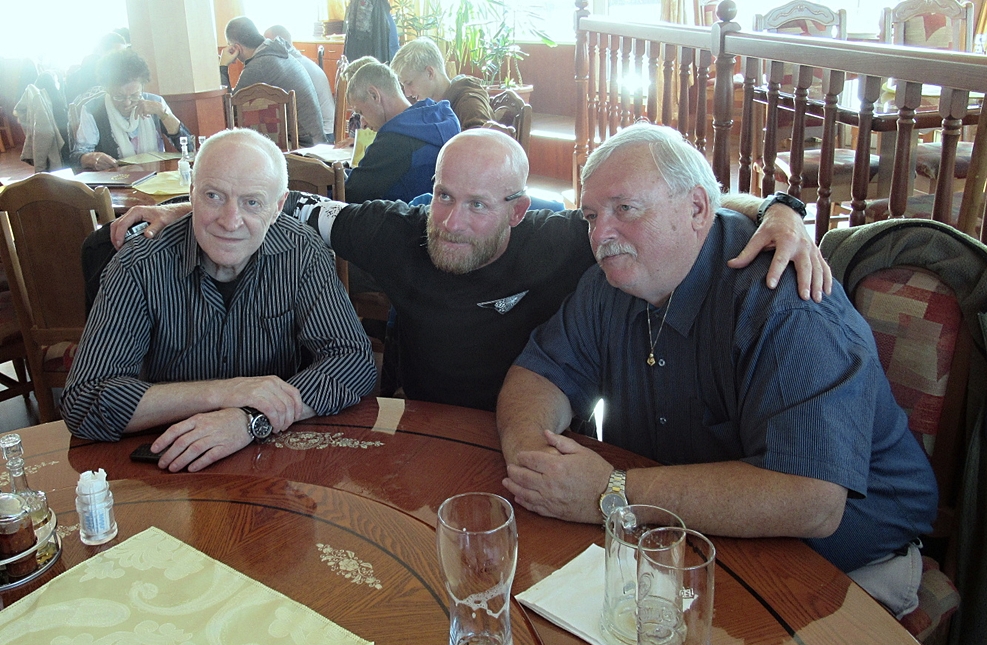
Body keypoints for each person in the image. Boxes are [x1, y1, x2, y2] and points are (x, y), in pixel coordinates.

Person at [496, 124, 937, 615]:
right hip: (680, 538)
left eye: (625, 209)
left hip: (838, 562)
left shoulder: (786, 305)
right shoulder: (614, 283)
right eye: (592, 215)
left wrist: (610, 492)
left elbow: (812, 499)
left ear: (697, 209)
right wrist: (536, 465)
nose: (600, 234)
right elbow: (538, 374)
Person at [110, 129, 829, 413]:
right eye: (443, 196)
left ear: (517, 211)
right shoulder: (397, 229)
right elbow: (282, 203)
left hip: (532, 435)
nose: (451, 221)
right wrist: (191, 208)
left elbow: (686, 206)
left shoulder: (570, 238)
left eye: (478, 205)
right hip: (417, 428)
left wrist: (784, 210)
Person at [63, 128, 376, 473]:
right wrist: (228, 392)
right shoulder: (139, 265)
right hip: (168, 464)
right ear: (192, 194)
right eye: (213, 196)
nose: (230, 221)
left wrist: (250, 419)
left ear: (277, 207)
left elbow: (353, 360)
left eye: (252, 202)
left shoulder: (301, 253)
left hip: (276, 460)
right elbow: (85, 401)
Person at [343, 61, 460, 203]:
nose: (363, 123)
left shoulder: (393, 140)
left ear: (374, 95)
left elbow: (350, 193)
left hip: (407, 215)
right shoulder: (442, 118)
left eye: (361, 112)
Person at [71, 48, 192, 171]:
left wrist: (163, 113)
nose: (127, 103)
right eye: (118, 97)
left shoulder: (155, 103)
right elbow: (77, 155)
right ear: (107, 89)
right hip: (115, 177)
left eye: (134, 96)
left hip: (157, 175)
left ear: (142, 87)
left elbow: (189, 147)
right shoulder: (94, 109)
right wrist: (90, 158)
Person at [220, 16, 325, 147]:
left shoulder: (259, 66)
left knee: (244, 146)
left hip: (301, 145)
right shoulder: (276, 51)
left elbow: (229, 111)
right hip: (314, 138)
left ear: (236, 47)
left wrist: (223, 66)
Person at [390, 37, 492, 131]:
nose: (407, 93)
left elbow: (484, 140)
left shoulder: (469, 102)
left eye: (409, 83)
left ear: (430, 73)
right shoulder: (431, 107)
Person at [264, 25, 337, 143]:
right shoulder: (300, 61)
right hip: (327, 130)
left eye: (266, 44)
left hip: (321, 136)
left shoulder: (289, 67)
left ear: (278, 43)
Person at [64, 32, 126, 107]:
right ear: (103, 52)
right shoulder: (93, 75)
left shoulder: (79, 73)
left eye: (124, 54)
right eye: (117, 54)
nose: (122, 59)